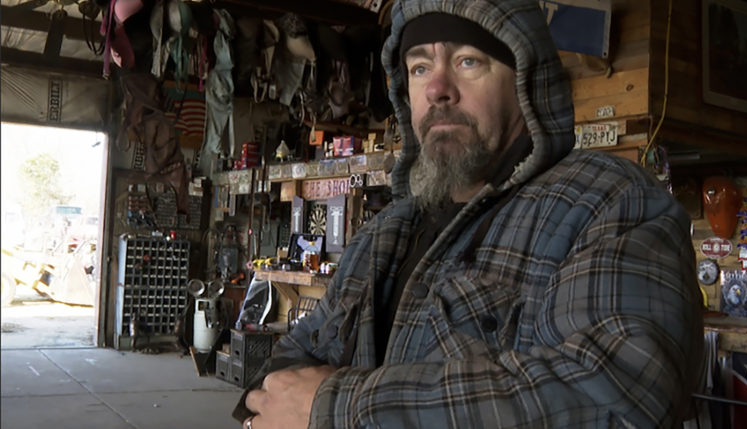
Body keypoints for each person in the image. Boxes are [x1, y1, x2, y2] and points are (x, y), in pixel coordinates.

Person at [234, 0, 705, 427]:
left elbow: (618, 397)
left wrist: (336, 408)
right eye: (419, 68)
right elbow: (292, 361)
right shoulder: (382, 235)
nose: (438, 88)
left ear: (524, 82)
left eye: (467, 61)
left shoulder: (605, 201)